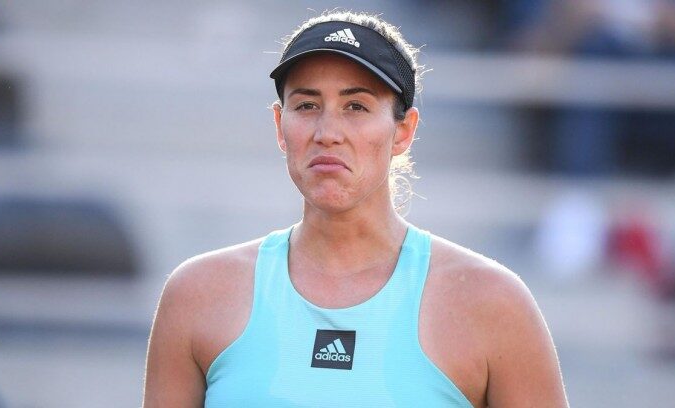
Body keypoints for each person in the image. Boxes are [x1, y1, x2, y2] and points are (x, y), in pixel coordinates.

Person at [143, 11, 568, 408]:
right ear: (279, 126)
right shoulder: (197, 295)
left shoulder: (492, 303)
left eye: (356, 106)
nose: (328, 132)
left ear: (404, 131)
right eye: (307, 105)